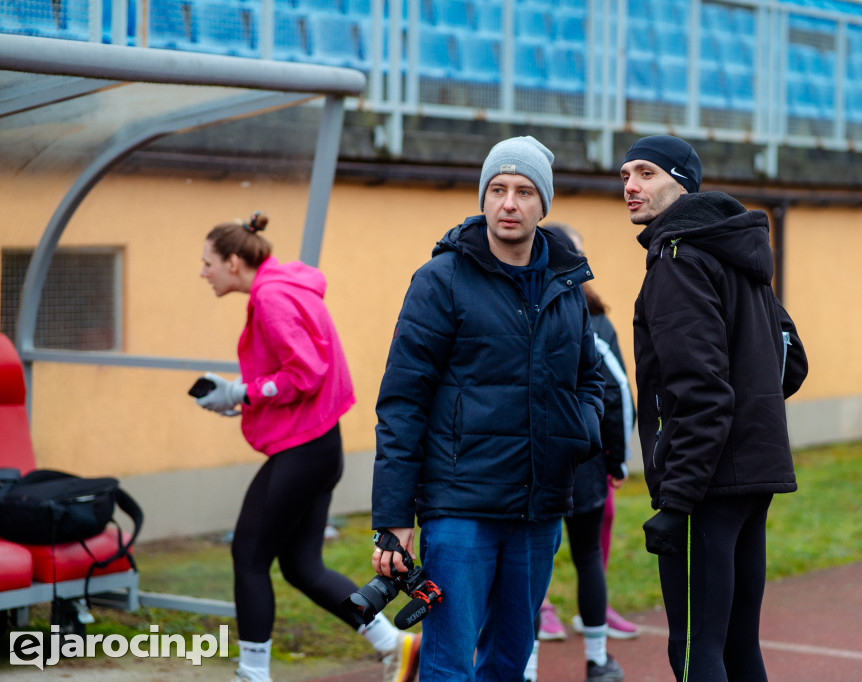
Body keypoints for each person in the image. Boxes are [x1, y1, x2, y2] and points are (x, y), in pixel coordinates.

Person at [370, 136, 606, 682]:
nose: (509, 203)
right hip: (460, 509)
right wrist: (392, 517)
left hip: (538, 507)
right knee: (450, 662)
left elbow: (589, 378)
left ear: (542, 204)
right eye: (497, 189)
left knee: (509, 659)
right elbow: (402, 402)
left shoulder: (566, 285)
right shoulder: (440, 281)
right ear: (483, 198)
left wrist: (581, 430)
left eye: (524, 191)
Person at [194, 211, 420, 682]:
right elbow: (301, 375)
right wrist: (242, 396)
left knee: (249, 557)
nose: (203, 273)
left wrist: (241, 393)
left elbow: (305, 372)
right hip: (319, 446)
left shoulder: (272, 297)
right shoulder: (282, 287)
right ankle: (394, 645)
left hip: (304, 451)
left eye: (207, 263)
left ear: (233, 262)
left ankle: (252, 673)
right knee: (300, 565)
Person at [618, 135, 808, 681]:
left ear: (682, 183)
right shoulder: (736, 252)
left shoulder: (678, 259)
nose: (631, 186)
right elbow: (790, 364)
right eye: (626, 174)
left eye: (647, 174)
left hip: (705, 485)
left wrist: (677, 500)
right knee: (737, 648)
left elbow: (699, 390)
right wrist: (752, 408)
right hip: (752, 477)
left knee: (696, 651)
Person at [526, 223, 634, 682]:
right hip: (583, 463)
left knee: (529, 563)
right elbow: (618, 393)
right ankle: (596, 661)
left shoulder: (522, 309)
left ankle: (526, 669)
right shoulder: (594, 319)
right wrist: (617, 459)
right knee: (586, 555)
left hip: (532, 462)